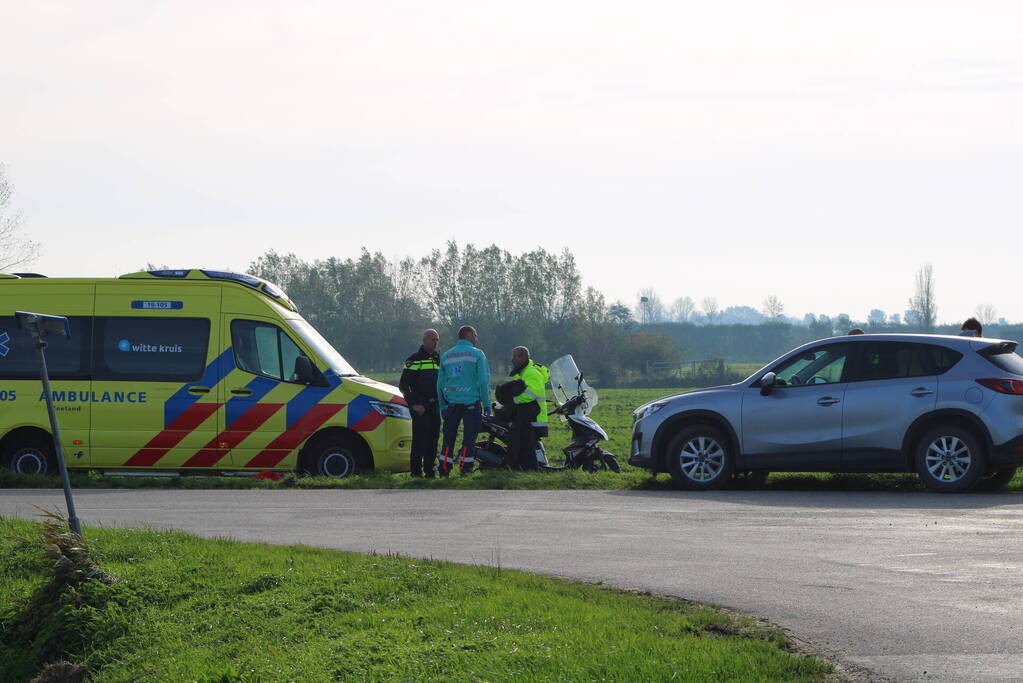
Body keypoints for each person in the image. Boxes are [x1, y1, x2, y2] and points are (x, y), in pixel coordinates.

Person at [437, 326, 491, 476]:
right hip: (471, 404)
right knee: (469, 439)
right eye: (475, 335)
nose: (477, 339)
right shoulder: (477, 354)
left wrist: (443, 405)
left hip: (451, 404)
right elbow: (483, 381)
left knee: (448, 438)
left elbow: (440, 384)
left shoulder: (447, 355)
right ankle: (465, 469)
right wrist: (486, 404)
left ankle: (444, 469)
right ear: (469, 335)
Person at [399, 329, 441, 478]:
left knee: (433, 440)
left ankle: (430, 471)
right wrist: (414, 405)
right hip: (420, 406)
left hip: (435, 405)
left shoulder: (438, 358)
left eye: (437, 339)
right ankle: (416, 473)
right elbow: (404, 386)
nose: (435, 342)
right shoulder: (414, 360)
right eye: (432, 339)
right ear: (424, 340)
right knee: (419, 441)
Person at [507, 346, 549, 471]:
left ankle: (531, 471)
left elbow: (531, 394)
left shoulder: (531, 373)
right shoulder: (522, 373)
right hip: (528, 417)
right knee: (526, 445)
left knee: (527, 447)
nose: (512, 359)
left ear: (523, 357)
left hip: (534, 418)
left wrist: (513, 400)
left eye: (514, 356)